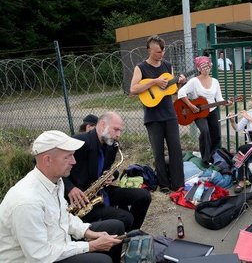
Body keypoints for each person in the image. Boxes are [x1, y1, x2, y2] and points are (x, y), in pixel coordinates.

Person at [0, 130, 124, 263]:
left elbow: (63, 216)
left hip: (57, 243)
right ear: (47, 160)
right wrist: (91, 246)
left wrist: (87, 232)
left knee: (115, 227)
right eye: (68, 157)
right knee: (101, 260)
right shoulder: (27, 202)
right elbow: (40, 256)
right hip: (39, 259)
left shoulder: (56, 181)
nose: (74, 161)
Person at [64, 111, 151, 232]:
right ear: (102, 125)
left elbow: (109, 170)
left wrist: (112, 176)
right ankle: (119, 234)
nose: (119, 135)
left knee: (144, 196)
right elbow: (44, 165)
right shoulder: (79, 141)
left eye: (120, 131)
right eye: (116, 130)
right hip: (81, 201)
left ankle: (132, 234)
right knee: (126, 218)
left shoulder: (111, 145)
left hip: (100, 192)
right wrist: (70, 188)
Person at [129, 35, 186, 193]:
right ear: (149, 50)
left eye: (162, 51)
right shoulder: (141, 67)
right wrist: (154, 82)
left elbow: (173, 91)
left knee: (176, 150)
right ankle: (164, 186)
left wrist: (180, 84)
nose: (160, 55)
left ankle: (178, 184)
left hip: (169, 114)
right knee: (158, 153)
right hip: (153, 117)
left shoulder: (167, 65)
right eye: (157, 52)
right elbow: (133, 89)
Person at [178, 56, 232, 165]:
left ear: (210, 67)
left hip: (213, 110)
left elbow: (219, 98)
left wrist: (226, 102)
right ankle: (205, 159)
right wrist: (191, 105)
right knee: (205, 131)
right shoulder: (194, 81)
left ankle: (215, 158)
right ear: (198, 68)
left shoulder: (215, 81)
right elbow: (181, 93)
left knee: (216, 134)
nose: (205, 69)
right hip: (198, 112)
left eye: (207, 66)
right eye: (202, 67)